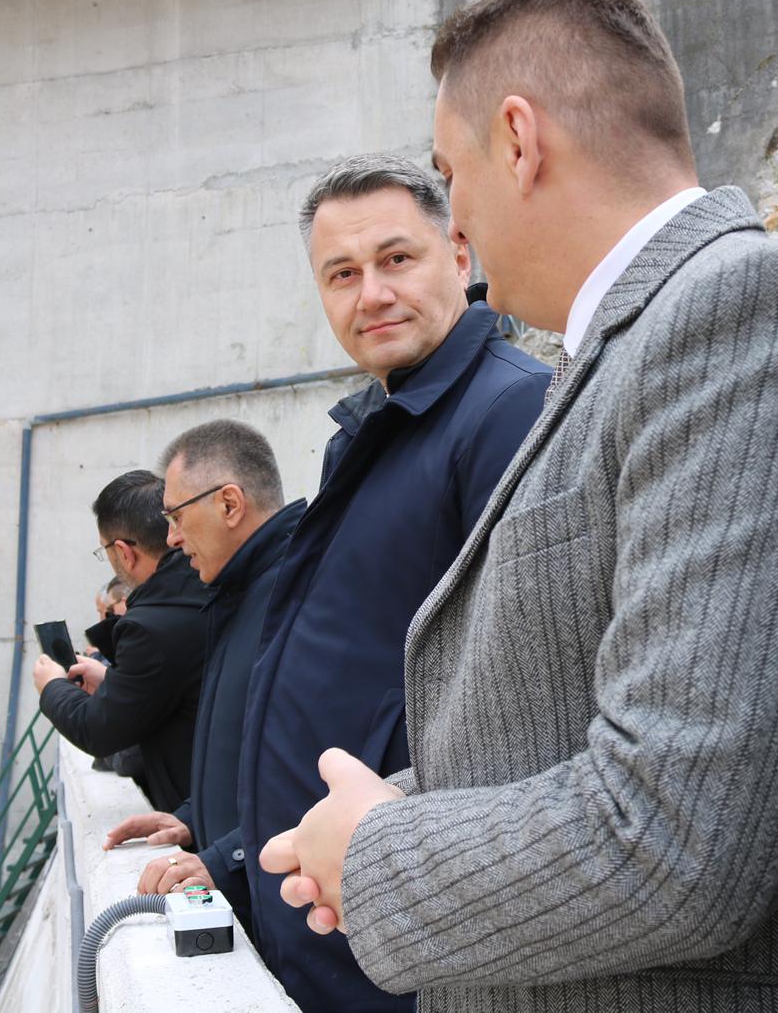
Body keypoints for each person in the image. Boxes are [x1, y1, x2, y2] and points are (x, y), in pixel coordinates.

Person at [260, 0, 778, 1012]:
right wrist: (380, 813)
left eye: (450, 174)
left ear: (518, 140)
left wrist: (384, 854)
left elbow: (677, 831)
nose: (457, 220)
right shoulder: (632, 352)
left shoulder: (750, 317)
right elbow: (573, 718)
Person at [237, 153, 550, 1012]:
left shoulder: (508, 412)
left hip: (396, 937)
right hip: (329, 911)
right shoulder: (373, 432)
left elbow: (520, 708)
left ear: (460, 253)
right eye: (342, 274)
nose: (371, 294)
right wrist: (226, 847)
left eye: (396, 259)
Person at [99, 420, 305, 936]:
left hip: (289, 915)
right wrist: (193, 818)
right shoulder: (239, 593)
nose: (171, 537)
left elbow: (319, 771)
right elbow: (249, 753)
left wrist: (227, 858)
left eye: (176, 517)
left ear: (229, 504)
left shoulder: (297, 596)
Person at [33, 469, 206, 814]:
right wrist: (111, 680)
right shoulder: (204, 587)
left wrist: (52, 686)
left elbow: (99, 731)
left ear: (124, 552)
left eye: (105, 551)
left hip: (195, 817)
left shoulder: (150, 627)